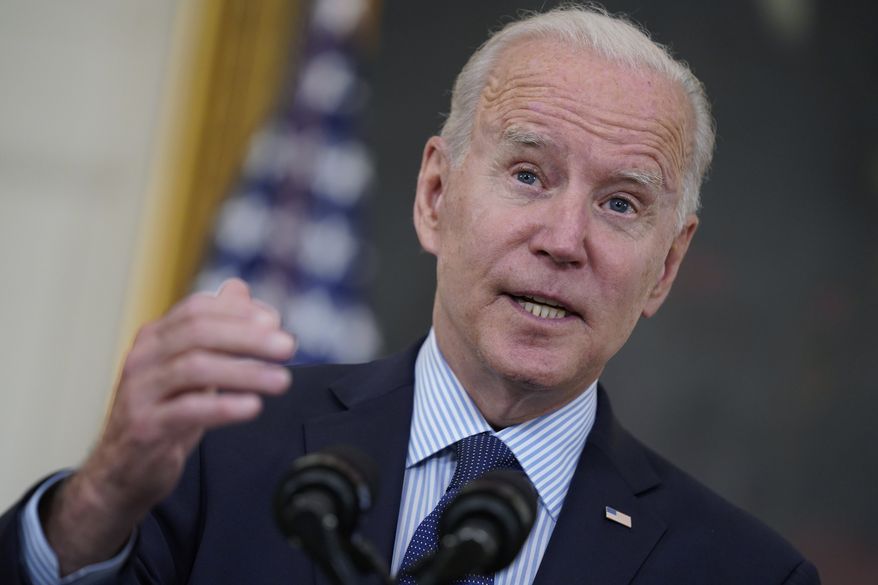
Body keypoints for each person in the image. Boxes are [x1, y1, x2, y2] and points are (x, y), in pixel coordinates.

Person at [0, 5, 820, 584]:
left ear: (666, 268)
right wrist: (99, 497)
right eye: (528, 174)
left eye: (620, 204)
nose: (565, 240)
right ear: (435, 195)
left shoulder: (746, 571)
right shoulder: (222, 448)